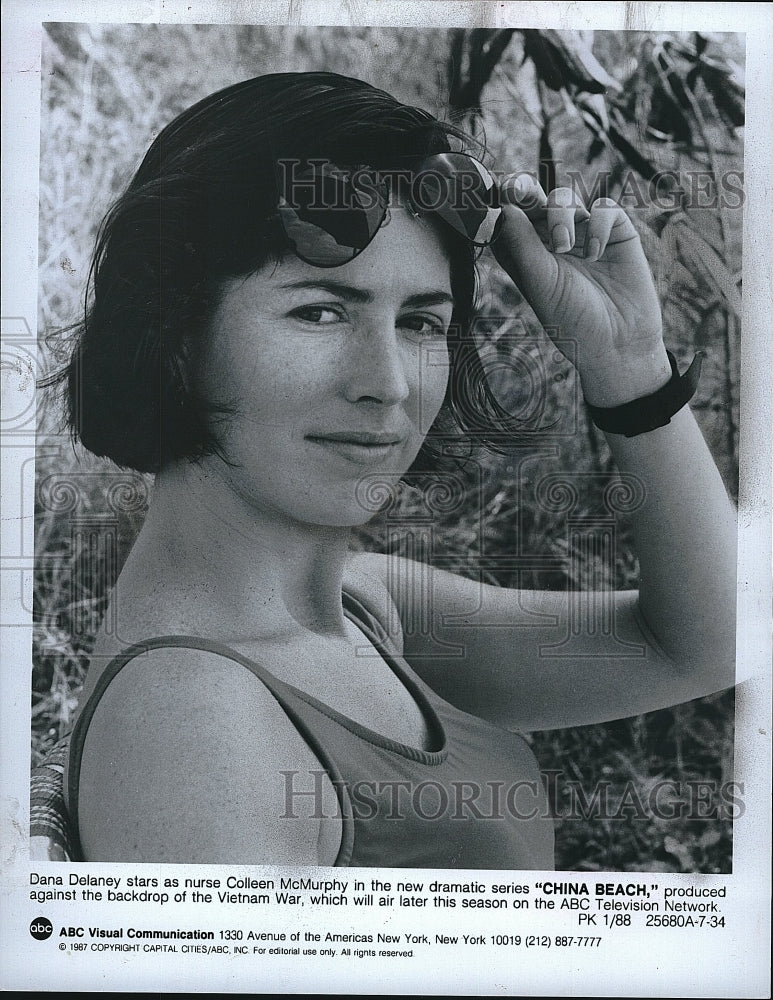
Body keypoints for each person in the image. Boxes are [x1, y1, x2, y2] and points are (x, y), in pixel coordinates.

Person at [31, 71, 736, 868]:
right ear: (175, 334)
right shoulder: (197, 720)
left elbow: (703, 646)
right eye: (319, 311)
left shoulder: (366, 605)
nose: (389, 382)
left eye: (418, 321)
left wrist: (628, 362)